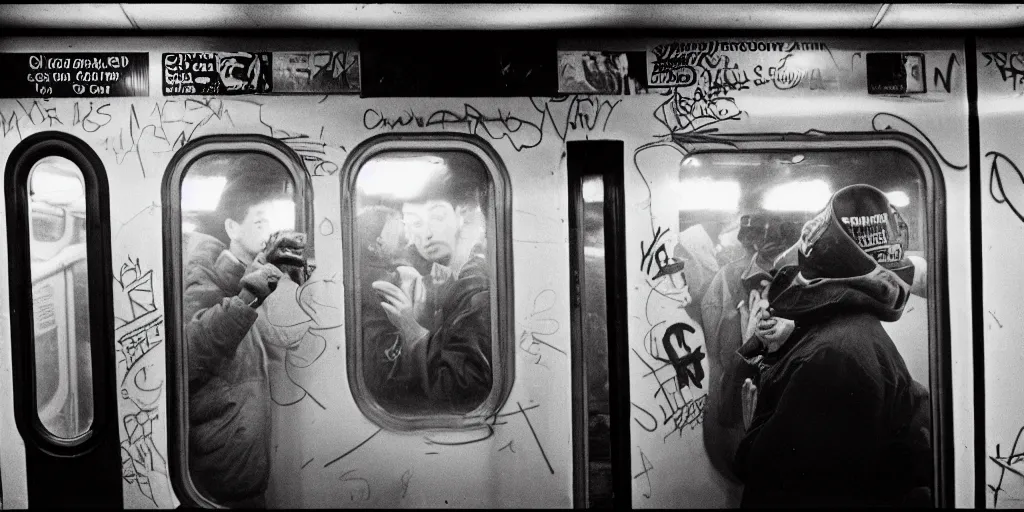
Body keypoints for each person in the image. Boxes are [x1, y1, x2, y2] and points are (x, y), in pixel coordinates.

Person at [733, 184, 933, 507]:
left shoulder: (832, 359)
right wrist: (793, 343)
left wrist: (756, 423)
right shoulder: (854, 333)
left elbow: (771, 482)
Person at [183, 170, 307, 508]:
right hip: (216, 478)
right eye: (260, 223)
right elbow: (193, 351)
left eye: (275, 223)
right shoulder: (199, 273)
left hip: (237, 464)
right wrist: (260, 280)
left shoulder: (240, 272)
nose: (271, 233)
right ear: (231, 228)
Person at [365, 158, 493, 414]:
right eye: (415, 222)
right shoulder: (441, 278)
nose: (427, 234)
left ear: (461, 216)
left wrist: (411, 328)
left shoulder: (476, 285)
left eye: (436, 217)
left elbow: (462, 387)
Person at [700, 212, 802, 482]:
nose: (768, 242)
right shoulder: (730, 279)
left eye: (778, 235)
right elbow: (716, 353)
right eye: (759, 235)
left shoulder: (808, 280)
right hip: (747, 390)